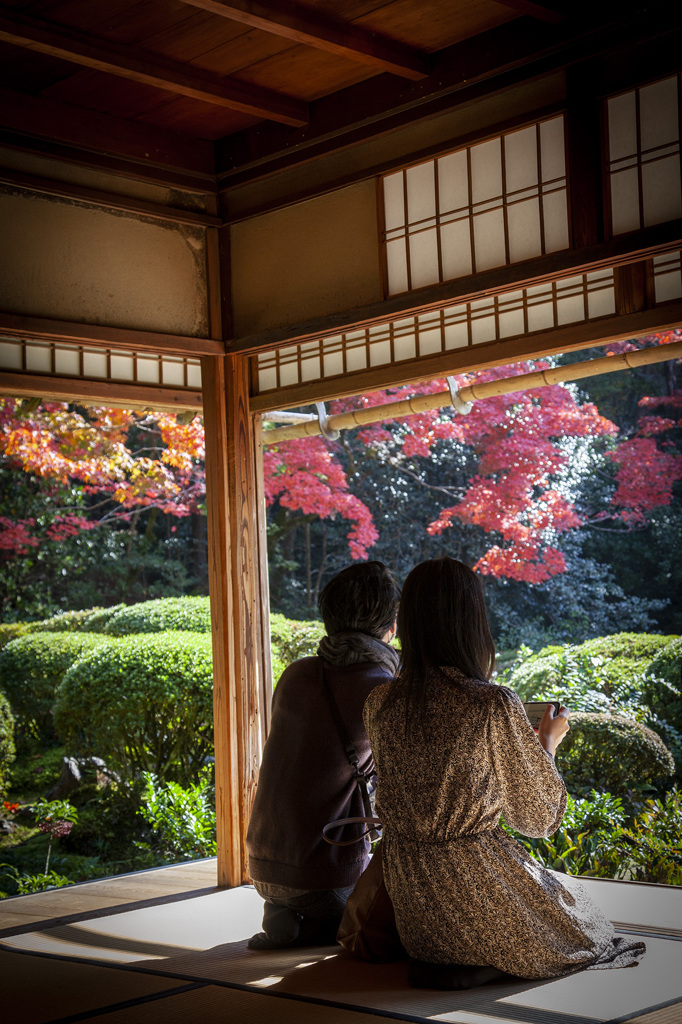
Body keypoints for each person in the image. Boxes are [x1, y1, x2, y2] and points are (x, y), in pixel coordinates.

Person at [363, 557, 646, 989]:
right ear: (473, 620)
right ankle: (489, 959)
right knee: (587, 920)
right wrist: (547, 743)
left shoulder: (379, 702)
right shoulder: (490, 702)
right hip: (475, 883)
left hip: (414, 899)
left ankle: (452, 958)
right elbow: (538, 819)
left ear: (410, 621)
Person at [246, 560, 400, 950]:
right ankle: (322, 922)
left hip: (263, 865)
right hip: (324, 875)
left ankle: (294, 917)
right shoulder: (380, 689)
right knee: (412, 926)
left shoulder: (296, 674)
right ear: (392, 628)